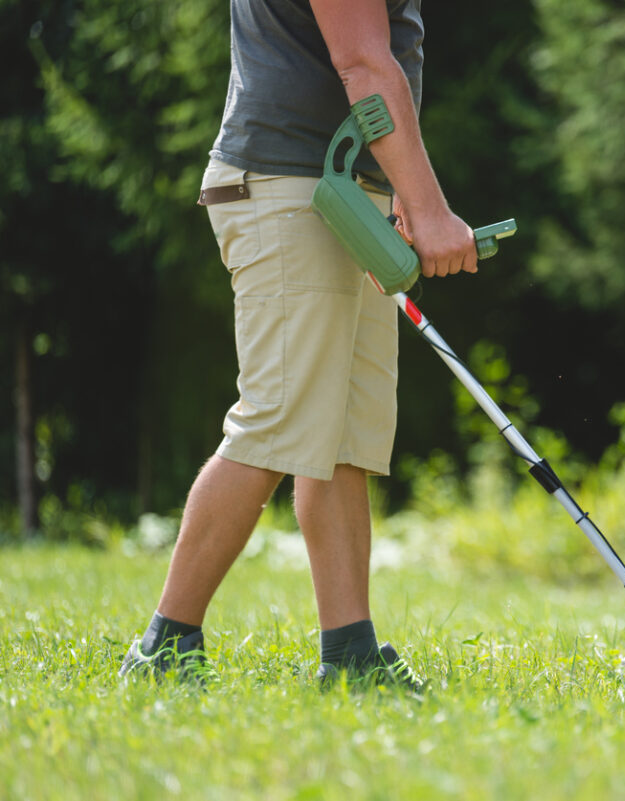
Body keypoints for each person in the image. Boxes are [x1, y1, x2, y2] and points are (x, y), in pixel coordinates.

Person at [119, 0, 477, 687]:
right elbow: (365, 61)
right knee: (277, 423)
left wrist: (400, 189)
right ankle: (163, 646)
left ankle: (350, 653)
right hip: (291, 187)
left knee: (343, 436)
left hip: (347, 188)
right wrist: (429, 208)